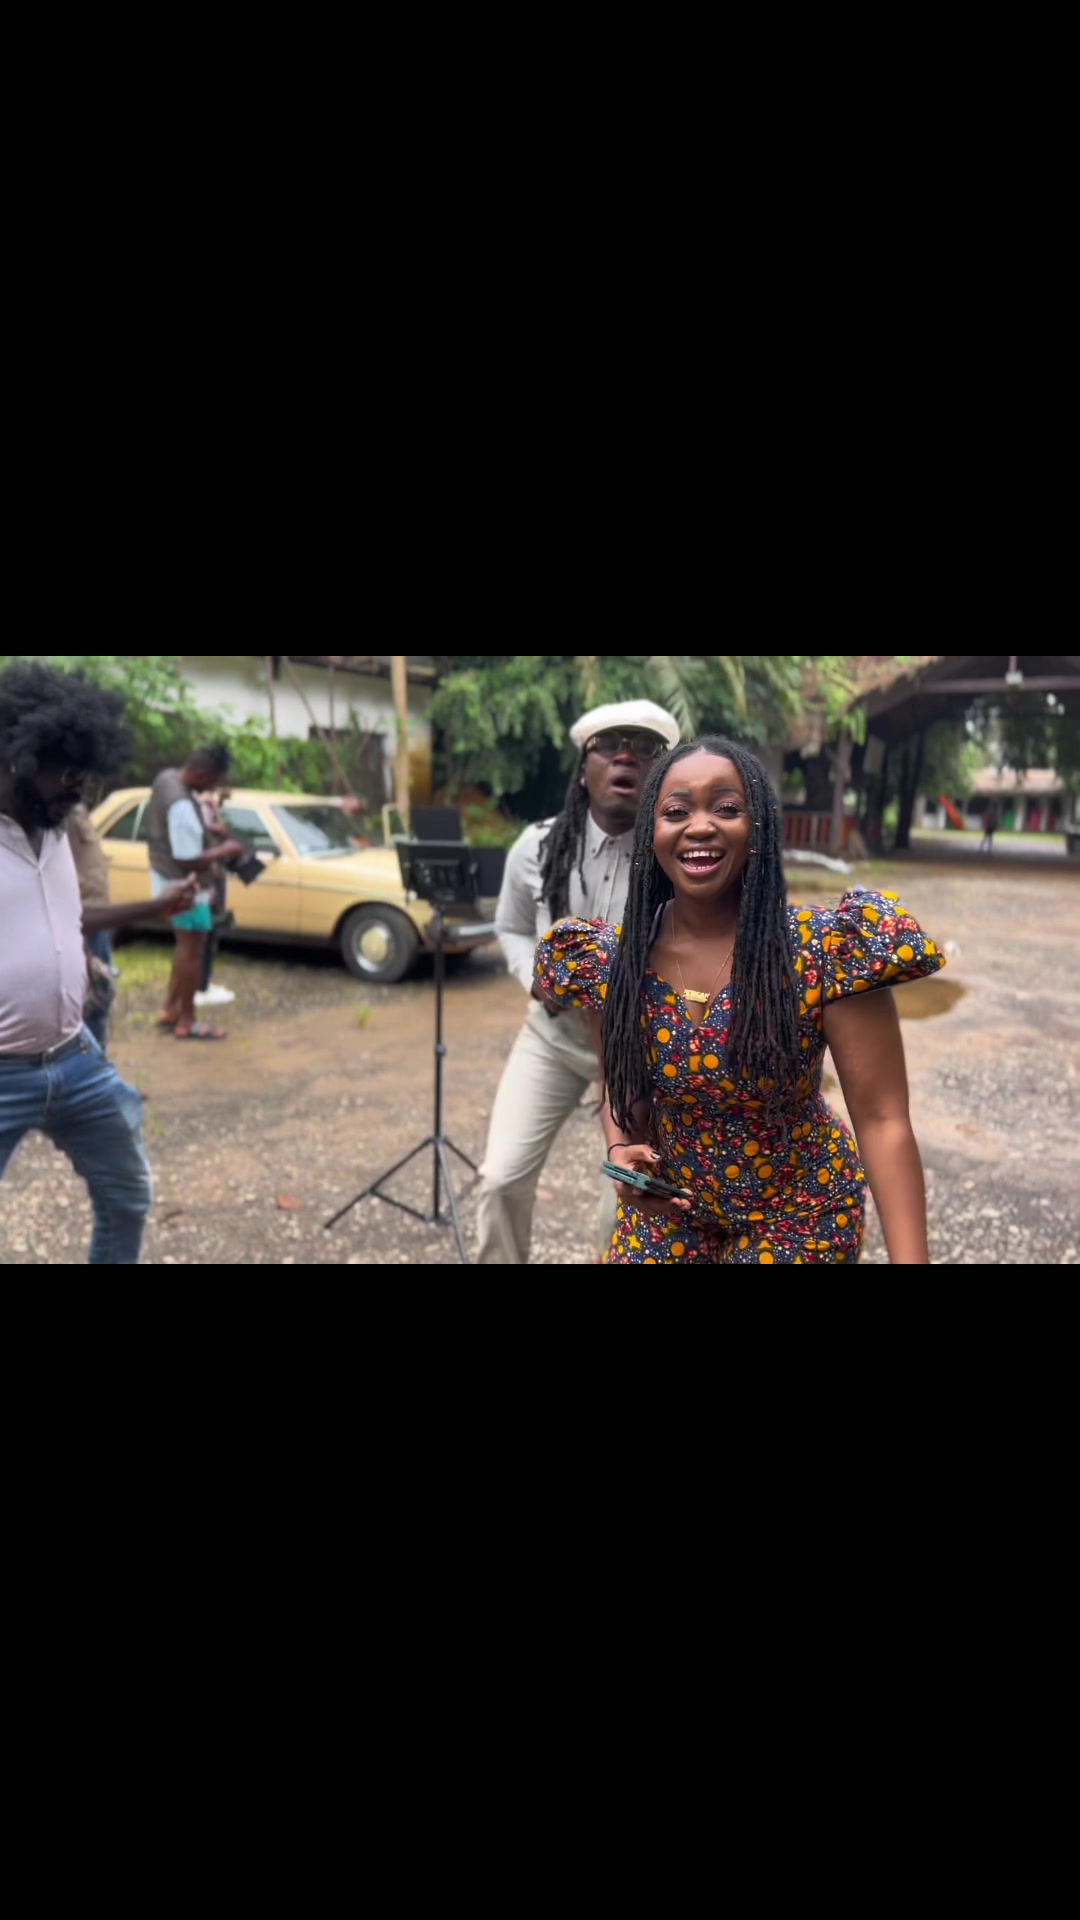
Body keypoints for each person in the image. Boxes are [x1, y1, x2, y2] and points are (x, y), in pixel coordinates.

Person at [533, 735, 945, 1265]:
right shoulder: (614, 962)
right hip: (674, 1209)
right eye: (676, 811)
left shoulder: (825, 950)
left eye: (727, 808)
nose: (700, 826)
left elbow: (882, 1120)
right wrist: (621, 1153)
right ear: (651, 834)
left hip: (799, 1211)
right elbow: (624, 1091)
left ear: (758, 830)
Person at [0, 662, 199, 1265]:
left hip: (75, 1056)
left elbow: (74, 919)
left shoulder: (55, 830)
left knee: (127, 1195)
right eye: (68, 774)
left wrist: (158, 907)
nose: (79, 790)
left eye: (86, 775)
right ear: (17, 758)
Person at [476, 699, 681, 1264]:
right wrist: (534, 979)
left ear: (662, 771)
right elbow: (510, 926)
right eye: (609, 745)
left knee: (628, 1200)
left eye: (644, 747)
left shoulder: (678, 854)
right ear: (584, 768)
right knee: (500, 1180)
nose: (625, 756)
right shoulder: (538, 846)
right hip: (553, 1039)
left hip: (643, 1054)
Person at [145, 748, 247, 1040]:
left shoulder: (166, 778)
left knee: (184, 947)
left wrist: (207, 829)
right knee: (192, 950)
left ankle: (170, 1008)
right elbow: (188, 859)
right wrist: (226, 850)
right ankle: (187, 1021)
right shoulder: (182, 805)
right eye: (213, 781)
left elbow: (176, 833)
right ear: (201, 774)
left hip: (165, 879)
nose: (212, 789)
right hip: (186, 888)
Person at [67, 801, 118, 1052]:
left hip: (95, 917)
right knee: (89, 1002)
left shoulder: (73, 807)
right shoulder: (49, 812)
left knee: (99, 995)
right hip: (81, 921)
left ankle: (96, 1063)